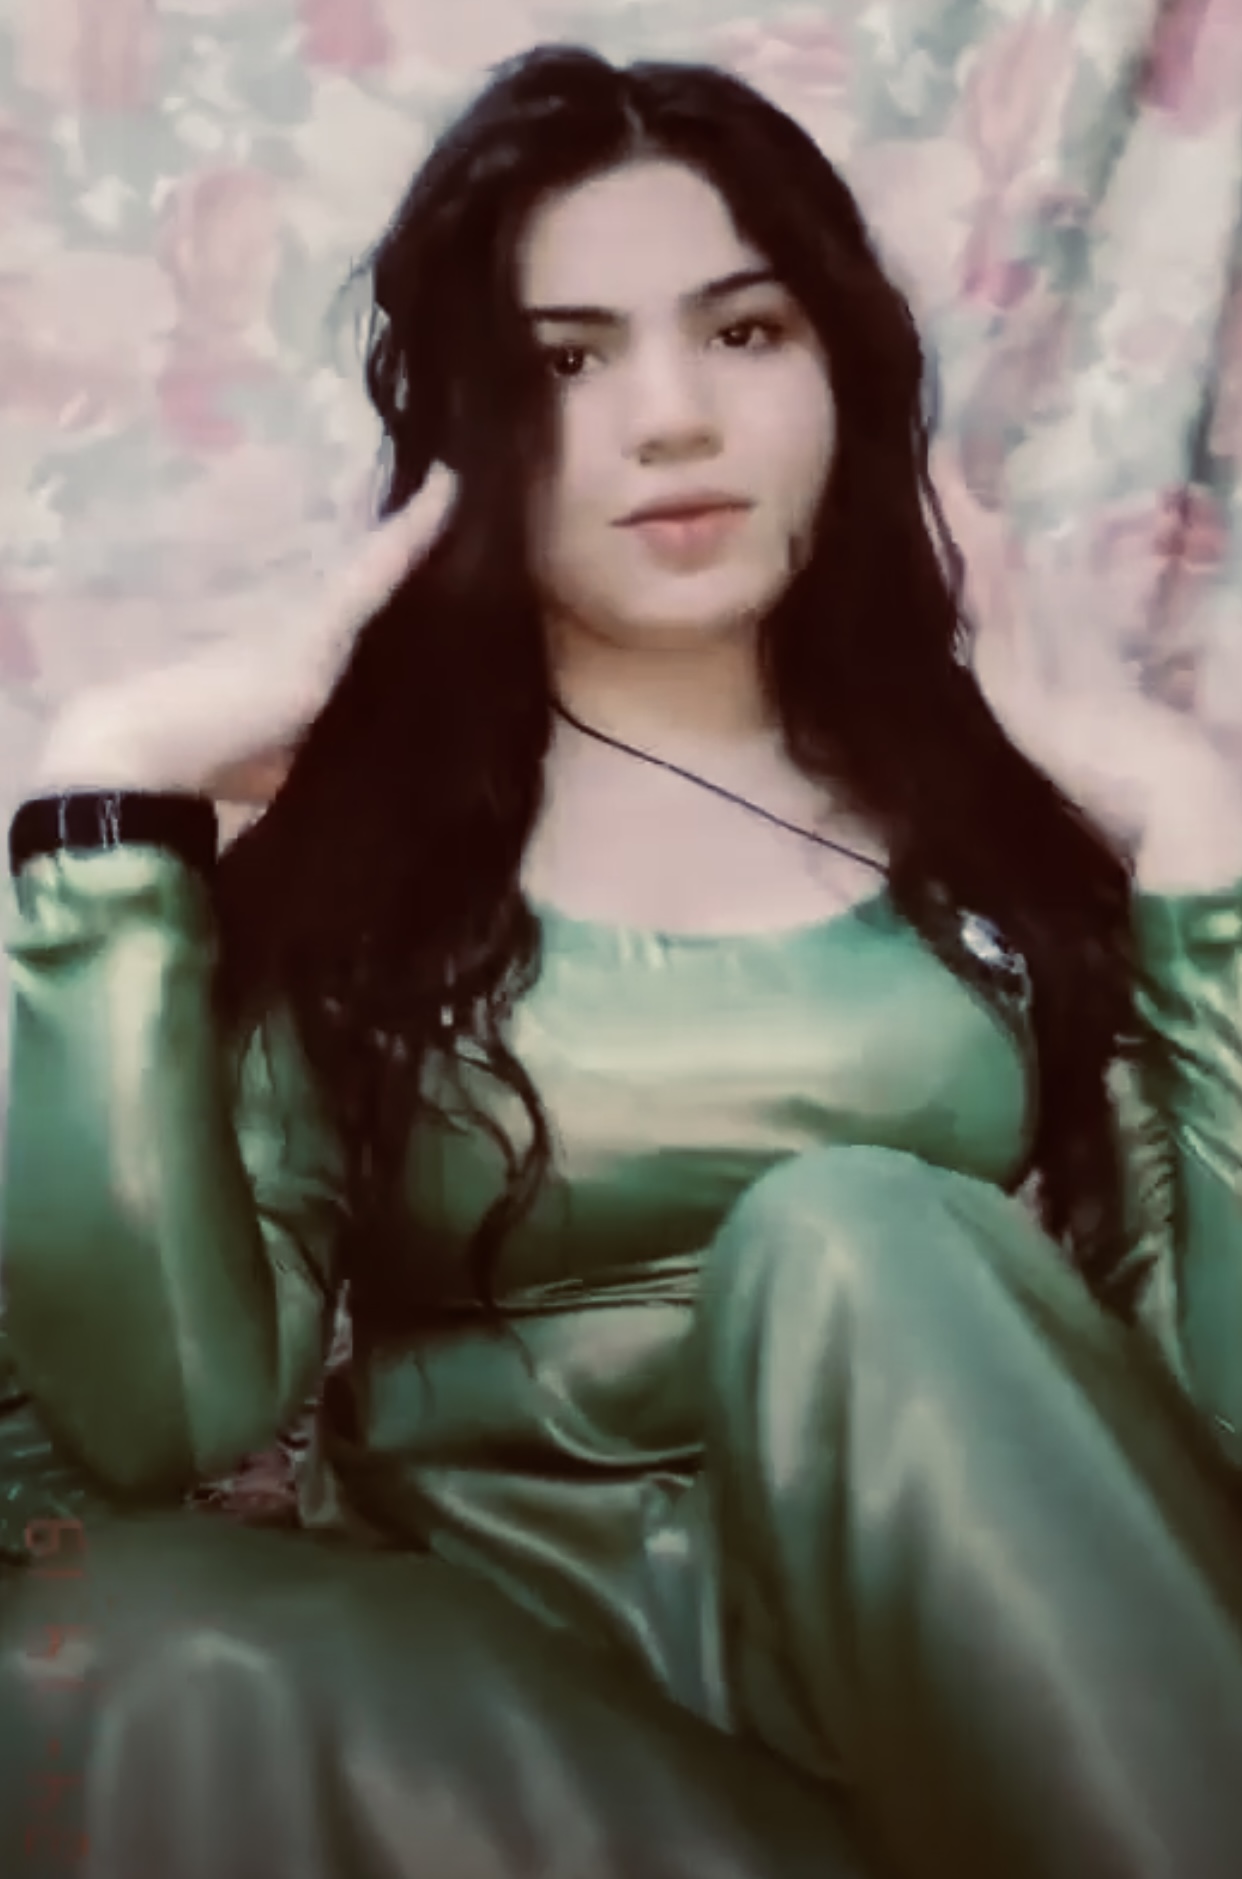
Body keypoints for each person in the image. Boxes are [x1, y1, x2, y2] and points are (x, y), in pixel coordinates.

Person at [2, 40, 1242, 1879]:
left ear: (843, 372)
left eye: (742, 332)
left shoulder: (1008, 831)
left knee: (851, 1235)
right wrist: (105, 794)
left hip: (1030, 1703)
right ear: (463, 430)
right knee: (115, 1643)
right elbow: (152, 1418)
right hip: (549, 1743)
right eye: (564, 362)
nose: (670, 420)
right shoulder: (355, 873)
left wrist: (1197, 836)